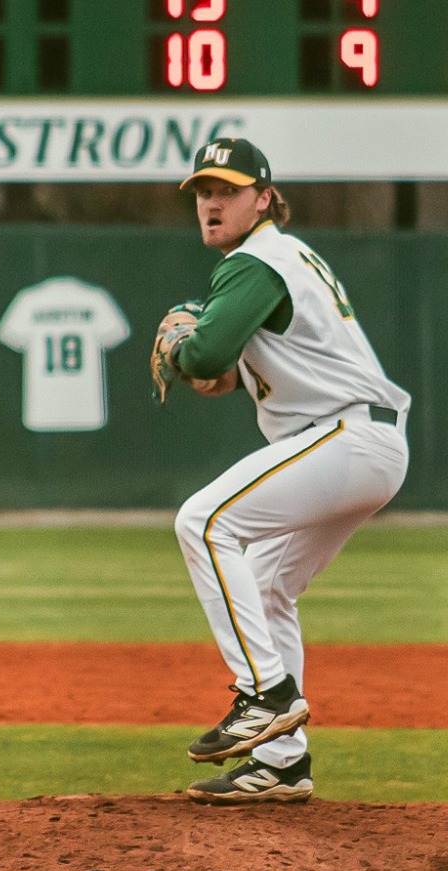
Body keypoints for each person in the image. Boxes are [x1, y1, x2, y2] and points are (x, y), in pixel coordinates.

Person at [154, 138, 412, 804]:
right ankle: (282, 763)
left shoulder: (255, 259)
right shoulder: (287, 258)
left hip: (340, 438)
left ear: (263, 198)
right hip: (363, 441)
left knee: (202, 520)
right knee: (267, 587)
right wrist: (217, 371)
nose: (211, 203)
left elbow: (206, 347)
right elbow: (248, 363)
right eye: (202, 192)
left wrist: (187, 348)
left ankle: (264, 694)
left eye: (227, 190)